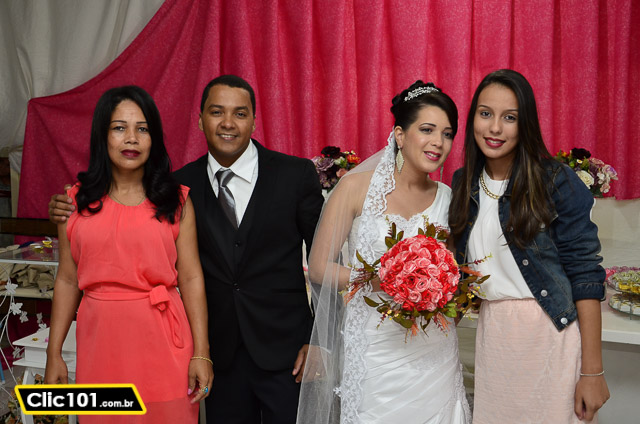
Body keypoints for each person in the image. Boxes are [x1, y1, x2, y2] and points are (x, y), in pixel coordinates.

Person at [49, 75, 324, 424]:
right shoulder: (177, 185)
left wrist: (321, 339)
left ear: (255, 120)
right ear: (200, 120)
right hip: (218, 352)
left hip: (286, 351)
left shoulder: (294, 175)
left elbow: (325, 262)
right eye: (216, 112)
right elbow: (73, 272)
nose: (228, 123)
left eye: (240, 113)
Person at [297, 81, 470, 424]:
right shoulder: (354, 189)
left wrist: (440, 291)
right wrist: (381, 278)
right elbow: (318, 268)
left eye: (447, 134)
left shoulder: (449, 199)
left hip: (434, 353)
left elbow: (455, 277)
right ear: (400, 135)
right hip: (375, 353)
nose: (439, 142)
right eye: (427, 130)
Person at [448, 69, 610, 423]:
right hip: (495, 339)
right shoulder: (463, 183)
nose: (494, 128)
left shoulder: (555, 181)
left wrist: (592, 372)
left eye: (510, 118)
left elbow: (585, 275)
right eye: (485, 113)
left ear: (526, 125)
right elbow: (461, 276)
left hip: (551, 335)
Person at [44, 85, 213, 423]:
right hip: (100, 346)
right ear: (102, 136)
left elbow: (192, 277)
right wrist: (54, 352)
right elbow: (67, 280)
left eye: (143, 129)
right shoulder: (73, 202)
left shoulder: (177, 200)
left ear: (154, 138)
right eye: (120, 128)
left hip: (165, 343)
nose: (132, 139)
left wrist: (202, 352)